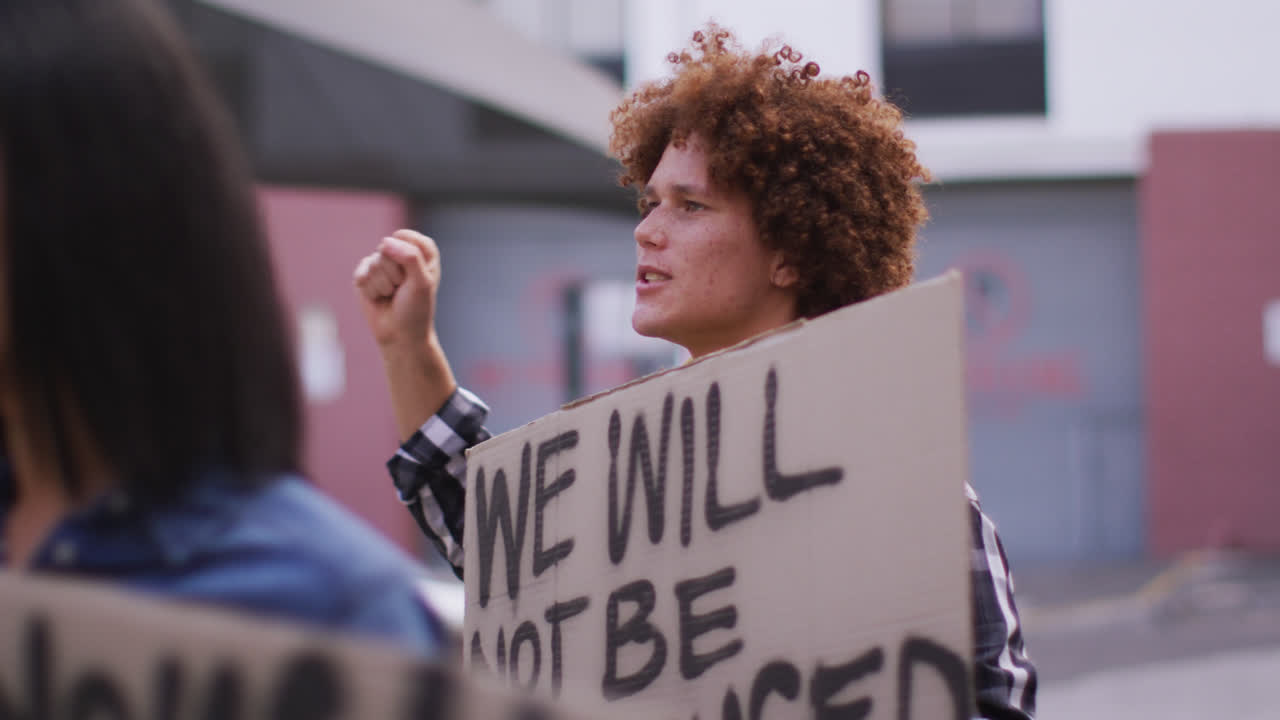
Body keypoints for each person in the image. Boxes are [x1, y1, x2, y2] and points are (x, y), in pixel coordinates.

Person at [354, 26, 1036, 716]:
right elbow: (508, 563)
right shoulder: (631, 482)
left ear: (790, 251)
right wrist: (406, 345)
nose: (646, 229)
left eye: (691, 205)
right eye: (651, 202)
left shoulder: (903, 500)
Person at [0, 0, 443, 657]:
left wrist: (411, 348)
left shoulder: (330, 616)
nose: (649, 232)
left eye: (660, 204)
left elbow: (477, 525)